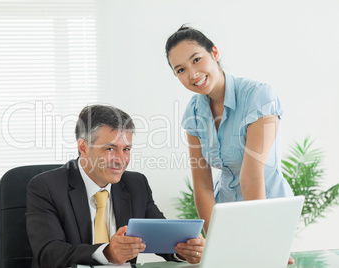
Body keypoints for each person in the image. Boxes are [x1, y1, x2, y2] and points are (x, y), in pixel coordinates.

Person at [26, 104, 205, 268]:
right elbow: (49, 254)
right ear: (83, 147)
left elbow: (164, 239)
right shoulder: (46, 187)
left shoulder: (136, 185)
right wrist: (107, 253)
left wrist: (185, 250)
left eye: (126, 149)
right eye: (110, 149)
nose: (121, 160)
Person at [165, 26, 294, 232]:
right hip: (227, 214)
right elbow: (202, 186)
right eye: (180, 69)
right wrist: (215, 237)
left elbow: (251, 176)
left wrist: (261, 238)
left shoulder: (258, 96)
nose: (193, 74)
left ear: (214, 53)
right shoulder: (194, 112)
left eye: (196, 59)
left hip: (267, 214)